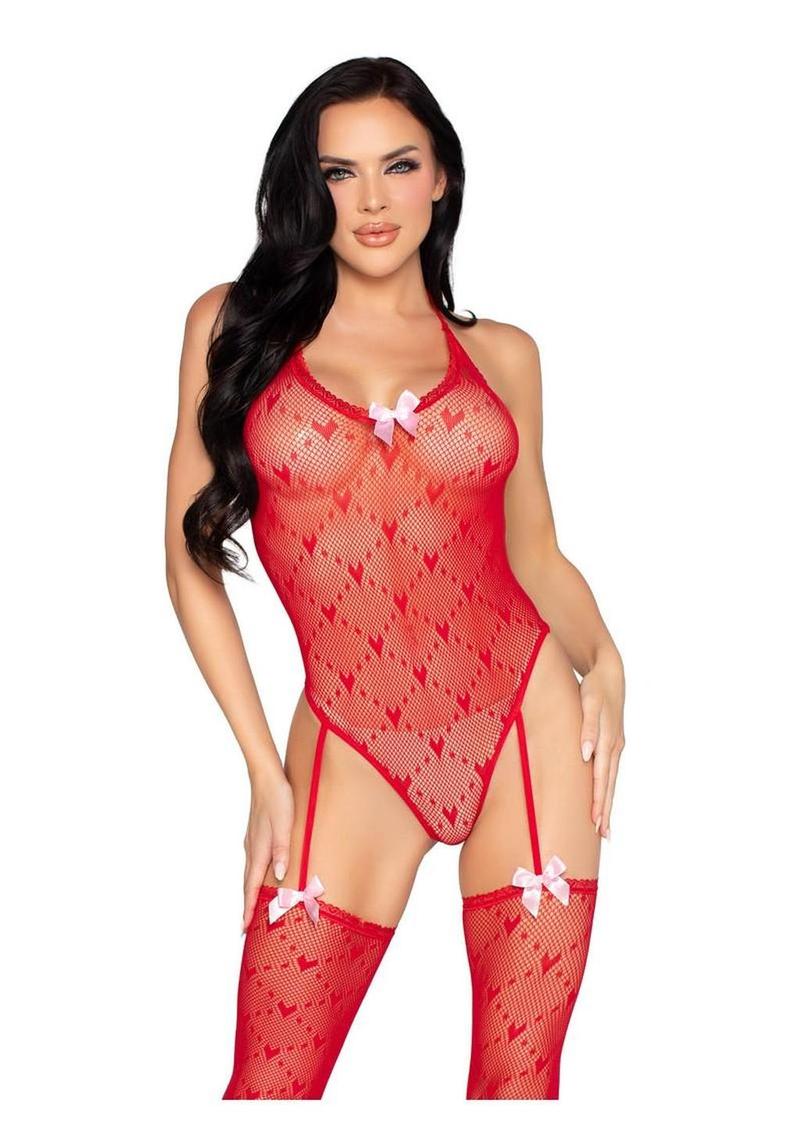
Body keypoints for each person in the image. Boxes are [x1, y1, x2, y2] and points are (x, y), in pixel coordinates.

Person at [165, 57, 625, 1101]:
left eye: (398, 165)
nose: (371, 200)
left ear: (441, 177)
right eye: (340, 172)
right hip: (351, 736)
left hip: (523, 722)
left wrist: (603, 661)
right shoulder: (231, 327)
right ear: (308, 185)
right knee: (270, 1088)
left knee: (518, 1088)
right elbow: (189, 558)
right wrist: (262, 770)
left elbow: (532, 552)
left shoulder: (502, 355)